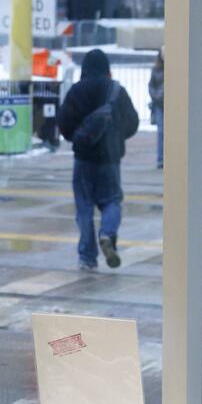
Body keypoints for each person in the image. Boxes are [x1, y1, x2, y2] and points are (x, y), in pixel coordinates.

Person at [59, 49, 140, 271]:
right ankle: (107, 233)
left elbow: (64, 123)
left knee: (84, 207)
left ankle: (87, 258)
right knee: (111, 200)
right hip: (110, 159)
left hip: (84, 158)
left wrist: (78, 136)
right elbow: (132, 122)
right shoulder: (116, 90)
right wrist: (115, 137)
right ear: (106, 68)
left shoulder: (76, 91)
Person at [148, 49, 164, 170]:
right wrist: (156, 95)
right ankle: (160, 158)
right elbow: (151, 85)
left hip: (171, 103)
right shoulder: (156, 69)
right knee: (161, 131)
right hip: (159, 104)